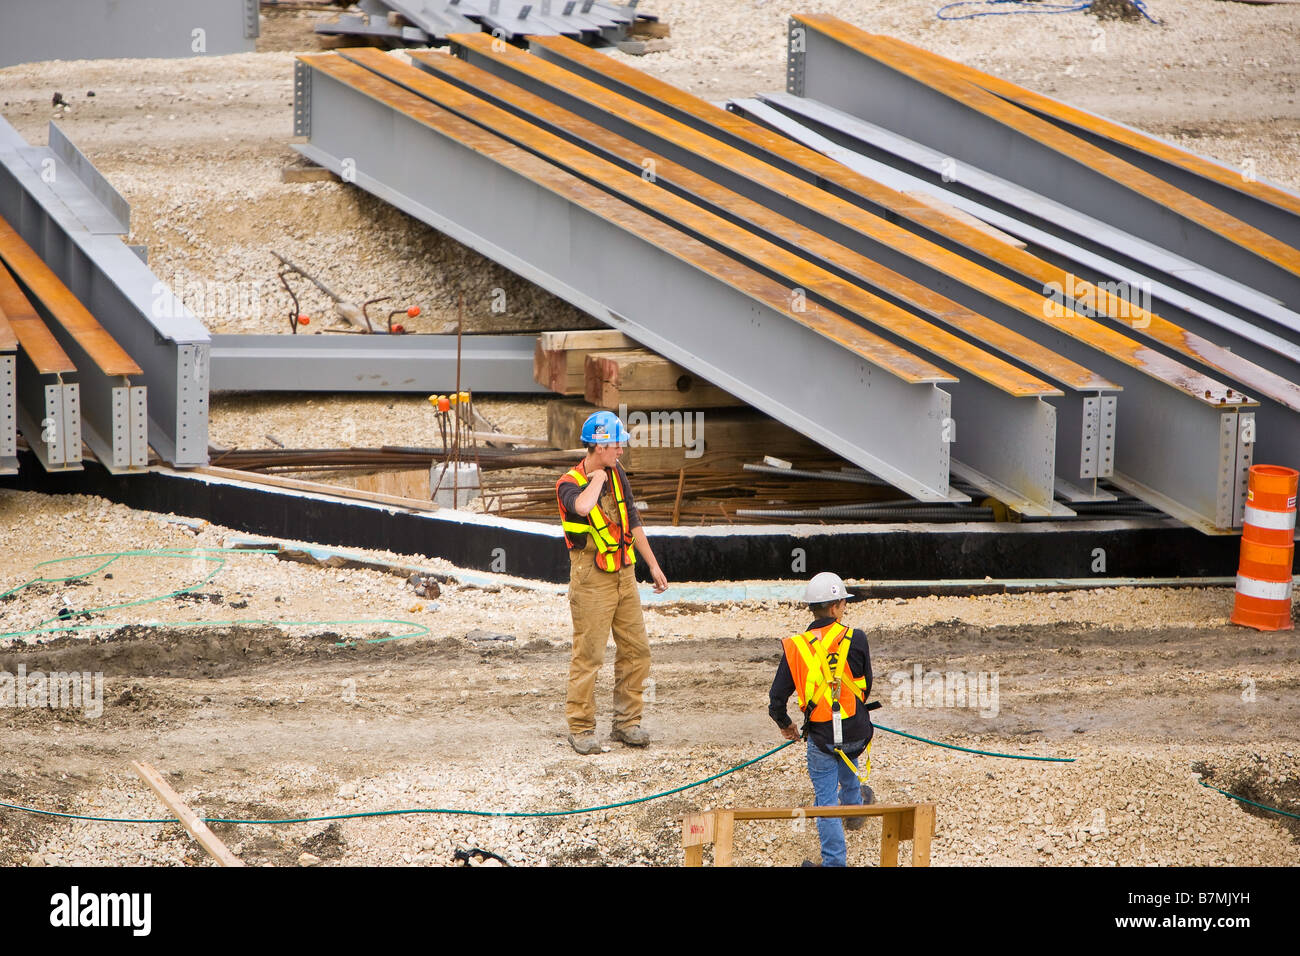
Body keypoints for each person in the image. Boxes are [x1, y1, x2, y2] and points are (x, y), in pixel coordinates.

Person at [555, 410, 668, 755]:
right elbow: (585, 506)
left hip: (624, 572)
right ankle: (581, 727)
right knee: (588, 656)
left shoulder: (618, 473)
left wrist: (653, 564)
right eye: (617, 445)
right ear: (600, 446)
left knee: (637, 651)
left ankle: (627, 723)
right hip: (590, 577)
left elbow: (632, 520)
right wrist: (599, 479)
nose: (621, 451)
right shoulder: (568, 483)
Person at [769, 571, 875, 867]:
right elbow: (866, 685)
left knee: (825, 802)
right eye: (843, 604)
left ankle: (834, 863)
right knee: (849, 754)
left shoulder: (796, 647)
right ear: (835, 607)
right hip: (856, 729)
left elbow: (776, 699)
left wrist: (786, 724)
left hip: (820, 735)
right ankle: (854, 810)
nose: (844, 609)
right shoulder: (857, 638)